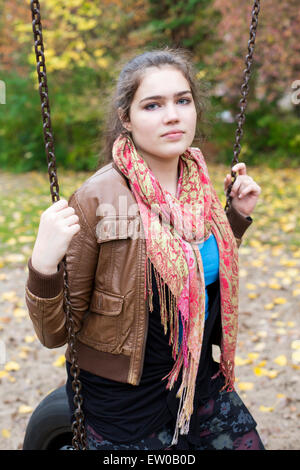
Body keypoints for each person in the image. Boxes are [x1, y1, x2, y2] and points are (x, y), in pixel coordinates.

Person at [25, 47, 264, 451]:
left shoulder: (198, 188)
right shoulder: (98, 198)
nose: (172, 115)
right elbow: (55, 333)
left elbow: (197, 271)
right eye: (153, 105)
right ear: (127, 119)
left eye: (182, 100)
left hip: (198, 377)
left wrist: (234, 219)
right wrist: (43, 263)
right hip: (126, 398)